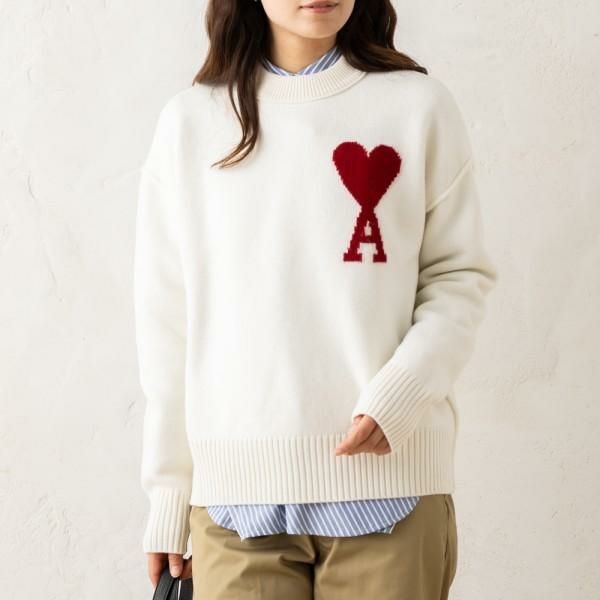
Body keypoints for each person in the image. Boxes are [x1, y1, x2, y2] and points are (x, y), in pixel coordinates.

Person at [133, 1, 498, 598]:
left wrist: (401, 395)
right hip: (235, 508)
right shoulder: (189, 124)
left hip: (392, 495)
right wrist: (169, 494)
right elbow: (167, 325)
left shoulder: (419, 107)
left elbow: (459, 277)